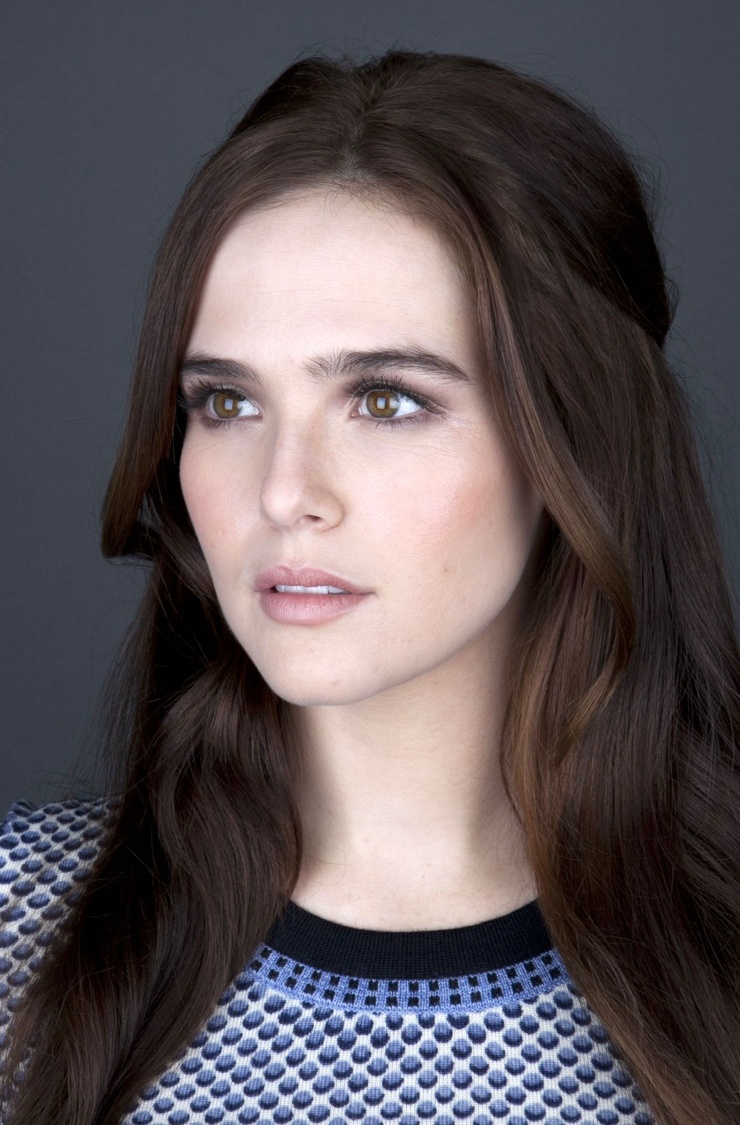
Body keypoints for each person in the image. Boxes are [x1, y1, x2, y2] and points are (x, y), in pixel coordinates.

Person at [0, 47, 738, 1125]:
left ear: (575, 443)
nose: (283, 493)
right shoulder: (22, 927)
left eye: (386, 400)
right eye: (227, 403)